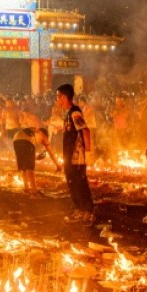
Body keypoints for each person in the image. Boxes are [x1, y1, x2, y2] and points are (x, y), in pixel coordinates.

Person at [56, 83, 94, 224]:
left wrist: (88, 152)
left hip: (77, 156)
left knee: (79, 183)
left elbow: (85, 130)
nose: (57, 100)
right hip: (68, 155)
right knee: (72, 183)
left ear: (64, 97)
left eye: (58, 97)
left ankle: (88, 211)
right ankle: (79, 209)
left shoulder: (75, 112)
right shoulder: (67, 113)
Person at [13, 126, 61, 195]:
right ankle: (34, 191)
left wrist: (35, 158)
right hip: (26, 139)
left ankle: (26, 188)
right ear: (43, 134)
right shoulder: (42, 136)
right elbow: (51, 153)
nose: (41, 143)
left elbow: (27, 157)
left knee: (24, 167)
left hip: (16, 139)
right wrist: (58, 165)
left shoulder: (35, 134)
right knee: (30, 168)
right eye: (42, 141)